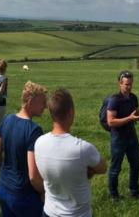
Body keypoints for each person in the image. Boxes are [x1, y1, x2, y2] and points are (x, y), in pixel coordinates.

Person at [35, 88, 108, 217]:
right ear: (71, 113)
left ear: (51, 113)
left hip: (49, 211)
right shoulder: (83, 149)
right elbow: (103, 168)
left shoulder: (39, 142)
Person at [0, 81, 48, 217]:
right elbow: (33, 176)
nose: (45, 106)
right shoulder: (34, 130)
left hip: (3, 189)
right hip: (24, 196)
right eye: (42, 102)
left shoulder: (7, 119)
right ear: (30, 102)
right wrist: (44, 192)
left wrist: (7, 174)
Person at [106, 70, 139, 201]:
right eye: (126, 84)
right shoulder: (114, 100)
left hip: (132, 137)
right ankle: (113, 194)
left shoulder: (133, 97)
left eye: (130, 84)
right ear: (120, 83)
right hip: (118, 138)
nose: (129, 87)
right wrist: (129, 118)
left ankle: (134, 191)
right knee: (115, 168)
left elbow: (137, 114)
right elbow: (111, 121)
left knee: (136, 165)